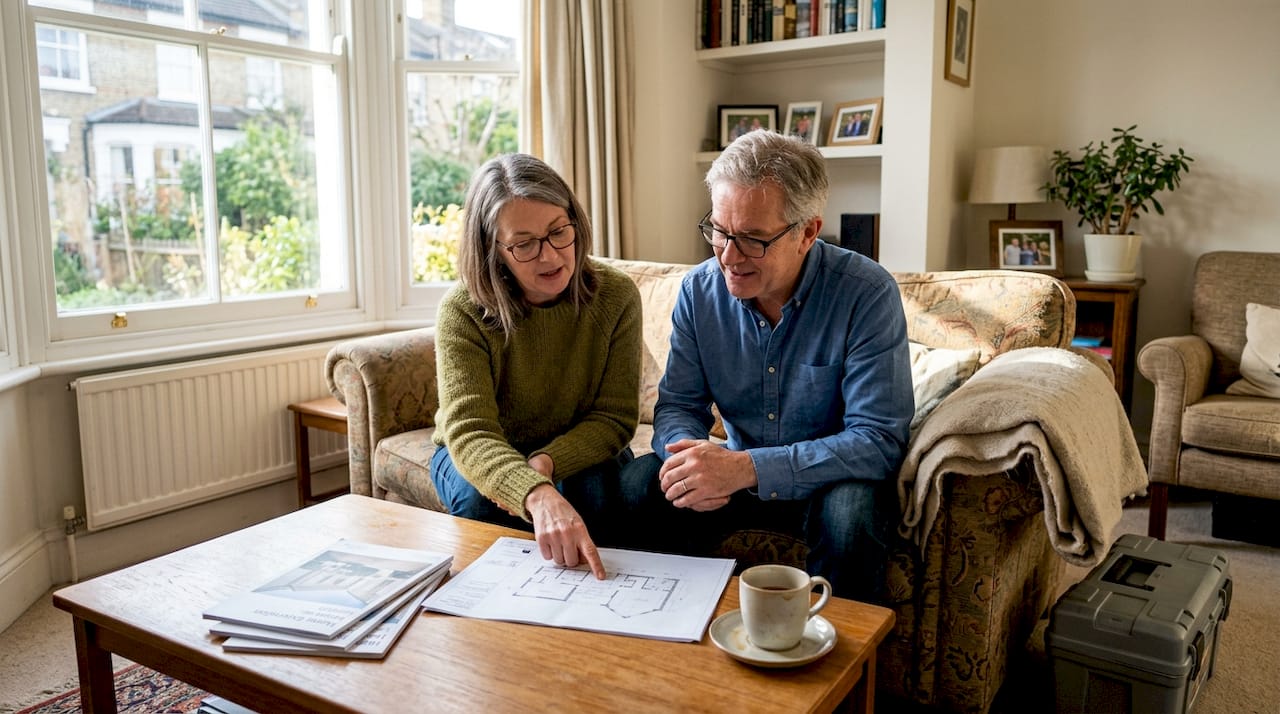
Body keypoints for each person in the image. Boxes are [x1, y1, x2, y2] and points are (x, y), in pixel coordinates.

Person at [618, 131, 913, 602]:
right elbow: (678, 403)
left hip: (829, 482)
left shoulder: (866, 293)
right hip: (735, 477)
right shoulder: (699, 292)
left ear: (808, 232)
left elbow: (877, 441)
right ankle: (664, 629)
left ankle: (843, 666)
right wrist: (687, 455)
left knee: (851, 512)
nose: (728, 257)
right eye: (719, 230)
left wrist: (745, 468)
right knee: (638, 483)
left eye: (753, 239)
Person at [430, 153, 643, 580]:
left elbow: (614, 418)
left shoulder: (616, 296)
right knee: (476, 502)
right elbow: (471, 432)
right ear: (494, 249)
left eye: (557, 232)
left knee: (598, 496)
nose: (550, 257)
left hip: (576, 444)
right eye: (524, 243)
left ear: (575, 224)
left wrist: (546, 462)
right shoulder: (463, 312)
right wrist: (535, 491)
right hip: (481, 449)